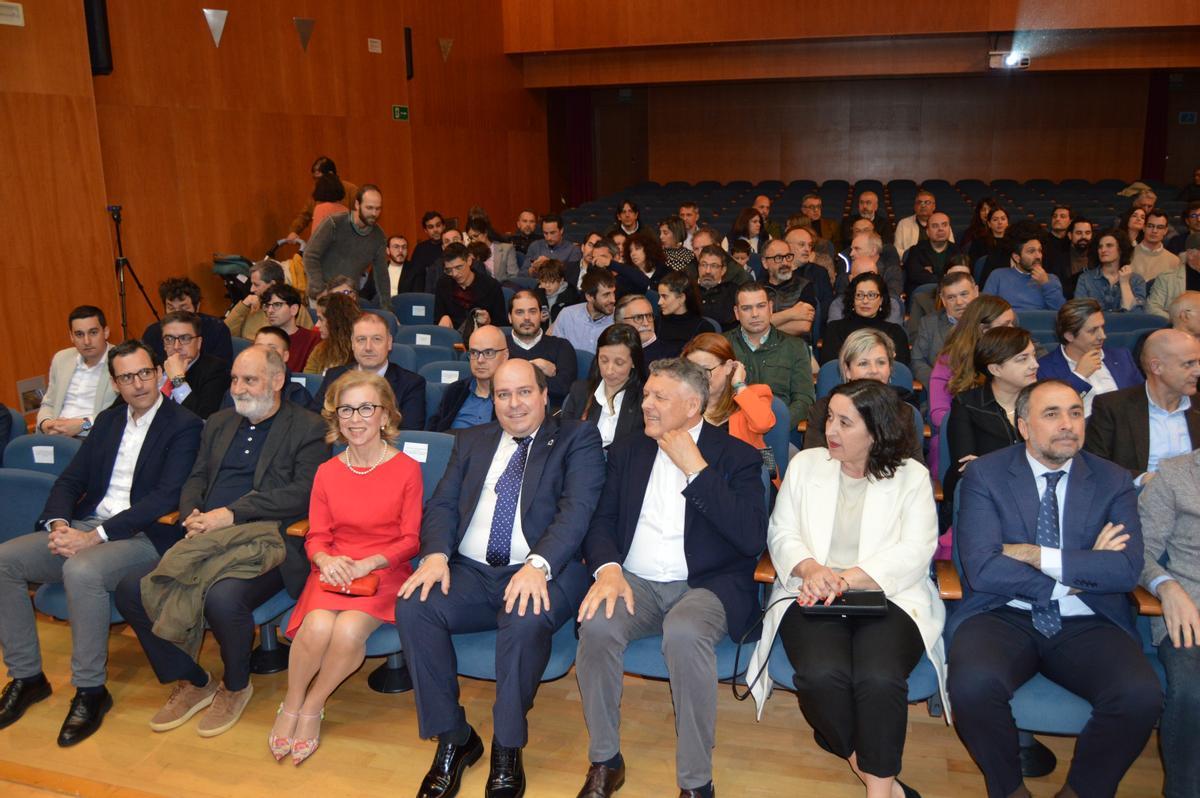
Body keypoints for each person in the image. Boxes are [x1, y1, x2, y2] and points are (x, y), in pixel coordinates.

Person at [397, 359, 605, 797]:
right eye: (503, 394)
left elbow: (577, 512)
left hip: (544, 570)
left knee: (525, 617)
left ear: (545, 395)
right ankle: (455, 738)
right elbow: (442, 506)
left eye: (524, 392)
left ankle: (507, 746)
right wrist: (435, 556)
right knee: (415, 606)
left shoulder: (576, 437)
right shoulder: (471, 440)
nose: (514, 404)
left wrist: (537, 564)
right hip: (472, 572)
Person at [948, 379, 1162, 798]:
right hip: (1001, 612)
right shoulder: (985, 475)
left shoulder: (1113, 480)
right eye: (1052, 414)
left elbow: (1123, 570)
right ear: (1023, 426)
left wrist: (1034, 554)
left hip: (1089, 621)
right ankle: (1008, 788)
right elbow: (984, 569)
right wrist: (1079, 575)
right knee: (972, 686)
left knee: (1139, 695)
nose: (1068, 425)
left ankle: (1082, 791)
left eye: (1075, 413)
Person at [575, 358, 767, 798]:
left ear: (693, 405)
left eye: (660, 397)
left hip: (706, 584)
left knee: (683, 633)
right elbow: (600, 520)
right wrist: (607, 570)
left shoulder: (735, 456)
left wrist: (696, 471)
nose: (647, 404)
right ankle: (605, 759)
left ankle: (696, 782)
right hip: (634, 581)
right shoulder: (628, 450)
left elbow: (750, 537)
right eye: (646, 395)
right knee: (597, 626)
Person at [113, 346, 327, 738]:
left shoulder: (308, 427)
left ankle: (235, 685)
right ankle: (193, 680)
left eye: (250, 379)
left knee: (222, 598)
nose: (238, 388)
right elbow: (195, 476)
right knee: (131, 589)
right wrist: (193, 513)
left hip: (268, 542)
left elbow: (303, 493)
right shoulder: (218, 422)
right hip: (206, 537)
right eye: (234, 379)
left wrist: (231, 514)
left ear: (278, 381)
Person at [0, 340, 202, 746]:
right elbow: (71, 480)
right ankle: (27, 676)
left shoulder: (185, 424)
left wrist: (93, 537)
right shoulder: (109, 423)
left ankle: (91, 690)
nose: (139, 384)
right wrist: (59, 525)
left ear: (159, 373)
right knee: (4, 561)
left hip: (145, 535)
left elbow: (165, 497)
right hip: (86, 525)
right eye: (127, 377)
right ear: (115, 383)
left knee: (81, 568)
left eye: (145, 373)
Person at [748, 380, 944, 798]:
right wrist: (811, 567)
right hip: (811, 591)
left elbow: (916, 550)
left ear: (876, 431)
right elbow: (781, 531)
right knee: (821, 676)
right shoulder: (806, 465)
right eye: (830, 418)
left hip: (888, 595)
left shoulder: (912, 477)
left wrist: (845, 578)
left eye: (845, 422)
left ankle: (877, 791)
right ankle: (868, 765)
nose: (830, 430)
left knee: (879, 677)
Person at [269, 371, 421, 764]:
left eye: (366, 408)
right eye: (346, 410)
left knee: (349, 628)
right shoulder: (327, 471)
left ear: (385, 417)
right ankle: (291, 701)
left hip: (382, 571)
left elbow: (410, 540)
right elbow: (316, 535)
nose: (355, 419)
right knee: (318, 625)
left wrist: (369, 562)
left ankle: (312, 706)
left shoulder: (406, 469)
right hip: (334, 568)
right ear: (336, 418)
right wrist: (325, 559)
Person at [1137, 449, 1200, 798]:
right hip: (1189, 609)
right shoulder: (1176, 475)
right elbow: (1140, 549)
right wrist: (1167, 586)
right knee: (1194, 690)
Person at [1084, 329, 1200, 484]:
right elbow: (1096, 465)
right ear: (1156, 367)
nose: (1198, 371)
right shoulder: (1113, 407)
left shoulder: (1196, 405)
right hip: (1137, 498)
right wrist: (1143, 480)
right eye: (1189, 364)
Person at [944, 327, 1038, 504]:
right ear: (995, 369)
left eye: (1033, 355)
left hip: (1035, 492)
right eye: (1023, 359)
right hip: (986, 497)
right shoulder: (966, 404)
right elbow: (966, 467)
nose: (1034, 364)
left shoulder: (1043, 400)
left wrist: (988, 465)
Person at [927, 295, 1016, 478]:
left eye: (1012, 324)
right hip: (963, 440)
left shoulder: (1015, 360)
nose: (1012, 330)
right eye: (1006, 325)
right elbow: (938, 414)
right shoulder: (949, 361)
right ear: (983, 330)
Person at [804, 329, 923, 463]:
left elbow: (914, 469)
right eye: (863, 363)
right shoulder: (823, 411)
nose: (874, 371)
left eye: (881, 362)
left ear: (890, 368)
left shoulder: (903, 412)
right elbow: (814, 464)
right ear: (847, 370)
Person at [725, 282, 815, 429]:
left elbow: (804, 399)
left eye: (761, 306)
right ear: (736, 312)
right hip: (732, 434)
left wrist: (775, 426)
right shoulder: (722, 345)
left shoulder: (795, 347)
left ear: (770, 308)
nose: (755, 314)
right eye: (746, 308)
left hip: (780, 431)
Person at [314, 312, 425, 430]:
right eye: (361, 339)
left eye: (376, 339)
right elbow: (315, 424)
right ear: (352, 343)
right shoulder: (334, 376)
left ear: (389, 342)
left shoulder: (411, 384)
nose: (368, 347)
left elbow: (408, 433)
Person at [681, 333, 775, 469]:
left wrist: (738, 384)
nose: (699, 378)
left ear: (728, 367)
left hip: (751, 475)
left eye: (705, 370)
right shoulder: (683, 404)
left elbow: (763, 424)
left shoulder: (754, 394)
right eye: (692, 371)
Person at [1036, 299, 1143, 417]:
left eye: (1102, 327)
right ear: (1069, 336)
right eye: (1093, 331)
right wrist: (1079, 376)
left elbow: (1142, 398)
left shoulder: (1121, 356)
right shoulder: (1044, 369)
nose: (1103, 336)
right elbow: (1054, 411)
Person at [561, 324, 647, 451]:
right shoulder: (580, 391)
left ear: (634, 362)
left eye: (619, 363)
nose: (609, 371)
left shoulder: (645, 399)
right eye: (604, 360)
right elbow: (564, 438)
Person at [37, 305, 119, 437]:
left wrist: (83, 425)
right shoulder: (61, 359)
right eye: (79, 334)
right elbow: (48, 403)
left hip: (93, 436)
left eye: (93, 332)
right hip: (56, 434)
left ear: (106, 332)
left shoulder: (121, 360)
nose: (86, 341)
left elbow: (121, 412)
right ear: (71, 336)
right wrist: (45, 423)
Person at [301, 184, 385, 300]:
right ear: (357, 204)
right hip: (323, 296)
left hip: (349, 297)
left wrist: (387, 308)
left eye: (378, 208)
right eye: (369, 208)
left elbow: (382, 275)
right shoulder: (334, 223)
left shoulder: (378, 236)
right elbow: (310, 255)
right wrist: (319, 290)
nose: (374, 213)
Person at [428, 325, 509, 432]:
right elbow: (434, 434)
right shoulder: (454, 391)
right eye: (474, 353)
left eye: (488, 353)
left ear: (505, 356)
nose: (480, 360)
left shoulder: (514, 396)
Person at [820, 273, 911, 366]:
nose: (865, 301)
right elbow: (830, 367)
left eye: (871, 295)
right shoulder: (835, 329)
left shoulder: (895, 332)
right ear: (852, 299)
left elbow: (900, 371)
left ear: (881, 300)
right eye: (859, 295)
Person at [505, 291, 576, 407]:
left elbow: (564, 388)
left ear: (541, 315)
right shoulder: (499, 347)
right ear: (510, 317)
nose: (527, 318)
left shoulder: (561, 346)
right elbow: (491, 386)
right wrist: (539, 373)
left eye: (532, 312)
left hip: (549, 417)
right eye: (519, 312)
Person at [910, 271, 978, 389]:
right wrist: (939, 383)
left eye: (964, 294)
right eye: (951, 297)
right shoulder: (929, 323)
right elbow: (917, 360)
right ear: (943, 299)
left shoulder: (990, 320)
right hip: (942, 390)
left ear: (976, 292)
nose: (959, 302)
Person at [143, 277, 234, 364]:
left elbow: (222, 372)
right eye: (171, 308)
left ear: (197, 307)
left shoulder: (217, 329)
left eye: (183, 308)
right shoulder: (152, 333)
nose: (177, 314)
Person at [218, 326, 313, 410]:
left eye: (272, 349)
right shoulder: (236, 390)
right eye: (258, 348)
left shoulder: (296, 394)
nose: (263, 354)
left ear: (285, 356)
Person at [159, 311, 230, 420]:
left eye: (185, 338)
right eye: (169, 339)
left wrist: (178, 381)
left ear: (199, 343)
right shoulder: (155, 366)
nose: (176, 346)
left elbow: (203, 419)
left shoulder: (216, 370)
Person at [982, 222, 1065, 312]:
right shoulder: (998, 276)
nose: (1038, 256)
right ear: (1016, 257)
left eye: (1039, 250)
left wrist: (1046, 284)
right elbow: (984, 309)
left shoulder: (1051, 279)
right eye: (1031, 251)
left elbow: (1062, 313)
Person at [224, 259, 311, 340]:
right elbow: (225, 334)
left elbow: (308, 343)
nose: (251, 289)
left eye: (256, 285)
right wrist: (244, 305)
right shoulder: (249, 307)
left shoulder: (293, 309)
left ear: (273, 285)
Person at [433, 242, 507, 331]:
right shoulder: (443, 284)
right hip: (453, 336)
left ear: (469, 261)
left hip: (483, 337)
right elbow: (437, 319)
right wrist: (443, 318)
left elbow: (502, 324)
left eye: (458, 267)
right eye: (449, 270)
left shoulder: (491, 286)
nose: (454, 274)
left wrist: (489, 322)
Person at [1073, 229, 1146, 312]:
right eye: (1100, 247)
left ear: (1120, 249)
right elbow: (1079, 313)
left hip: (1125, 324)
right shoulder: (1085, 279)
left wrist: (1124, 283)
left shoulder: (1136, 280)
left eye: (1109, 245)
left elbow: (1136, 314)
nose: (1103, 250)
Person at [286, 156, 356, 241]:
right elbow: (305, 215)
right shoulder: (316, 192)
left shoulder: (351, 190)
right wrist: (294, 231)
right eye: (315, 179)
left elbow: (360, 218)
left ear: (330, 174)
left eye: (320, 178)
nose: (317, 182)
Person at [761, 238, 818, 338]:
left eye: (788, 257)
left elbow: (803, 326)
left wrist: (762, 330)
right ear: (765, 262)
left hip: (795, 349)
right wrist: (792, 313)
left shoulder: (805, 286)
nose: (785, 263)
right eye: (778, 258)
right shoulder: (756, 290)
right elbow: (750, 324)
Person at [552, 270, 617, 355]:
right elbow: (556, 352)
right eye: (606, 295)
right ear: (589, 297)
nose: (613, 299)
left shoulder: (619, 318)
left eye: (613, 293)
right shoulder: (567, 315)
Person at [261, 283, 320, 373]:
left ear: (294, 309)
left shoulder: (313, 339)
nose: (270, 311)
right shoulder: (263, 338)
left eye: (277, 305)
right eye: (267, 305)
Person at [903, 211, 960, 294]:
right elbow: (915, 275)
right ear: (927, 232)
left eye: (944, 225)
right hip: (924, 295)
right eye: (935, 226)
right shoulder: (916, 250)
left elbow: (961, 276)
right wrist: (946, 277)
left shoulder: (958, 251)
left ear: (949, 229)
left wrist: (928, 274)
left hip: (952, 294)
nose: (940, 229)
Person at [303, 293, 360, 376]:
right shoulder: (320, 350)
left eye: (321, 319)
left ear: (335, 321)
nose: (317, 325)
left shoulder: (361, 350)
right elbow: (309, 381)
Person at [1148, 233, 1200, 319]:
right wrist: (1178, 321)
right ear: (1190, 254)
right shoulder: (1167, 278)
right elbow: (1152, 308)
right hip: (1176, 329)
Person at [656, 271, 708, 356]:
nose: (659, 302)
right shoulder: (656, 323)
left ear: (681, 298)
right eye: (659, 296)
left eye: (664, 296)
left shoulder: (702, 327)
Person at [1131, 208, 1181, 284]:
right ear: (1144, 228)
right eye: (1150, 226)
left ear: (1165, 231)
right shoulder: (1128, 254)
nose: (1154, 231)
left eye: (1160, 227)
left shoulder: (1174, 261)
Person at [695, 245, 738, 331]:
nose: (707, 271)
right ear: (698, 267)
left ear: (723, 270)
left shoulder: (734, 292)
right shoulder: (687, 290)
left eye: (714, 266)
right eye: (703, 265)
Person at [894, 190, 947, 259]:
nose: (923, 205)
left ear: (934, 206)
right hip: (912, 261)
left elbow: (950, 246)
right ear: (914, 207)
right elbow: (897, 250)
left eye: (927, 202)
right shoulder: (903, 223)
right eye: (919, 202)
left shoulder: (943, 221)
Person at [466, 218, 520, 284]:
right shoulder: (471, 254)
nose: (473, 240)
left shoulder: (506, 249)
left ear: (485, 233)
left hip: (503, 288)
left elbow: (513, 276)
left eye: (476, 236)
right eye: (471, 238)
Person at [375, 234, 423, 306]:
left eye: (404, 247)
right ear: (388, 250)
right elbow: (367, 292)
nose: (400, 251)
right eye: (396, 247)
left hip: (403, 308)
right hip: (380, 309)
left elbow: (416, 297)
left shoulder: (416, 269)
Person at [970, 206, 1010, 284]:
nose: (1000, 222)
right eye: (995, 220)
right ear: (989, 224)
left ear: (1007, 222)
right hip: (986, 281)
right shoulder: (979, 242)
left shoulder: (1013, 242)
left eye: (1003, 219)